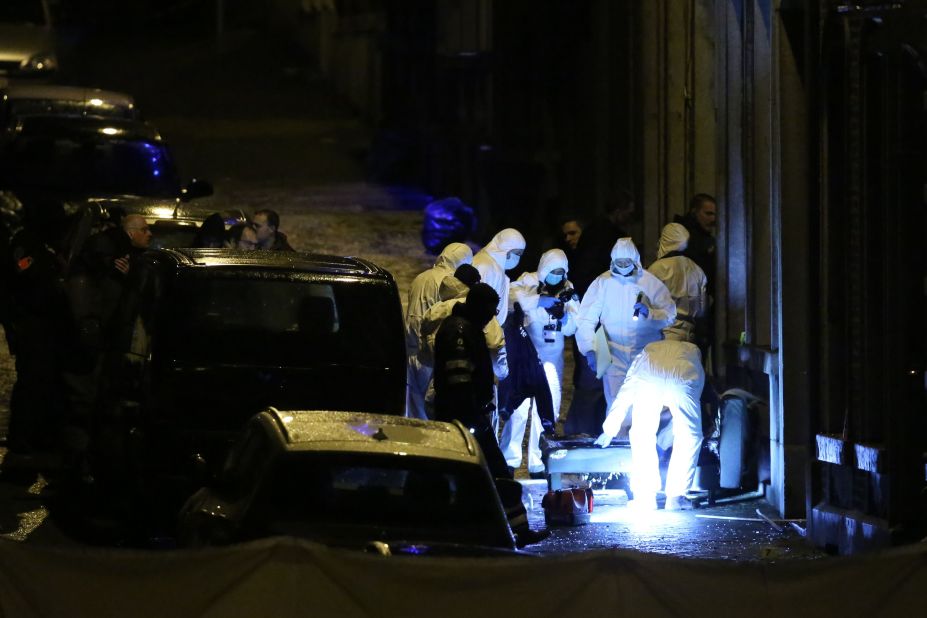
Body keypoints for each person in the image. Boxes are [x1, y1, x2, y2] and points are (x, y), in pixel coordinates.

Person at [594, 339, 705, 511]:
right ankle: (676, 498)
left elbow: (626, 392)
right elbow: (694, 394)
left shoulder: (644, 354)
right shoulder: (693, 352)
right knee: (689, 435)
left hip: (649, 376)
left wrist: (609, 429)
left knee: (642, 434)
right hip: (683, 374)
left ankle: (645, 497)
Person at [499, 248, 578, 478]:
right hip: (526, 355)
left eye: (560, 272)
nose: (556, 275)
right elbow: (511, 297)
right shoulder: (528, 280)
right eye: (553, 271)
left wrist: (563, 316)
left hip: (552, 358)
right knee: (518, 410)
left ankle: (539, 462)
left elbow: (574, 325)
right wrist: (539, 301)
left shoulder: (568, 289)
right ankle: (509, 460)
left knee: (548, 410)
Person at [575, 237, 676, 409]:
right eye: (618, 262)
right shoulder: (603, 283)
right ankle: (618, 436)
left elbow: (670, 314)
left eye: (626, 262)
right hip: (613, 352)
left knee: (646, 402)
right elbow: (585, 318)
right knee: (616, 402)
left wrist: (650, 313)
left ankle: (641, 436)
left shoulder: (649, 283)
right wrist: (589, 348)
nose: (622, 266)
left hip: (645, 352)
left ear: (634, 260)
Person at [433, 283, 511, 479]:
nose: (491, 317)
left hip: (468, 413)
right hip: (462, 415)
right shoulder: (460, 331)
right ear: (479, 308)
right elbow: (459, 379)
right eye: (490, 311)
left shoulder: (465, 327)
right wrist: (472, 415)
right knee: (489, 469)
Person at [404, 242, 474, 418]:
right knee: (428, 409)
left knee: (412, 406)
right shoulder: (450, 283)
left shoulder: (421, 276)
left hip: (409, 348)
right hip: (429, 352)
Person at [647, 223, 707, 343]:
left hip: (664, 335)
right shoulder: (697, 270)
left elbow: (646, 306)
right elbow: (702, 310)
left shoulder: (656, 269)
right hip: (690, 336)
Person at [472, 228, 526, 326]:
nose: (518, 258)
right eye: (517, 253)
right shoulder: (486, 266)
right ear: (506, 249)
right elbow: (479, 307)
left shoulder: (494, 266)